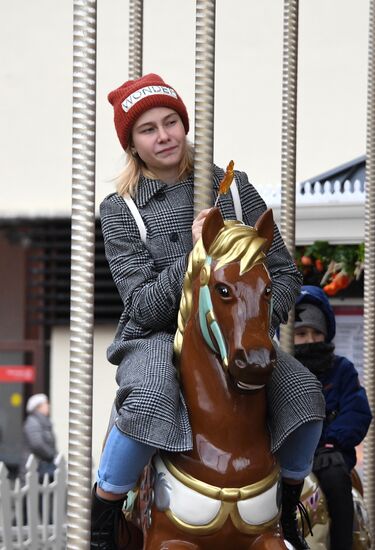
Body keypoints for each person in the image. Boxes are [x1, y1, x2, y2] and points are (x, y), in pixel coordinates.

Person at [91, 73, 325, 549]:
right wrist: (195, 256)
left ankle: (286, 507)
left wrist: (255, 320)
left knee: (304, 393)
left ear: (184, 123)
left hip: (237, 326)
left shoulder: (233, 190)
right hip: (155, 335)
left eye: (171, 122)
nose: (164, 136)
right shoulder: (121, 209)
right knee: (151, 397)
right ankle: (104, 517)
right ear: (132, 144)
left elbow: (283, 271)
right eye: (148, 129)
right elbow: (142, 305)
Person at [294, 285, 372, 550]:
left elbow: (357, 410)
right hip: (286, 454)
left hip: (328, 453)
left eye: (316, 332)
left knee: (337, 478)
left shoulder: (341, 370)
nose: (310, 339)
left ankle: (342, 544)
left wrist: (332, 442)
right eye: (301, 333)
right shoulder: (279, 370)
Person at [22, 393, 57, 483]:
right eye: (46, 404)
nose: (48, 406)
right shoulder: (32, 422)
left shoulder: (44, 422)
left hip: (43, 470)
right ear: (38, 407)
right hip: (36, 469)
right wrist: (50, 455)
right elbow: (37, 444)